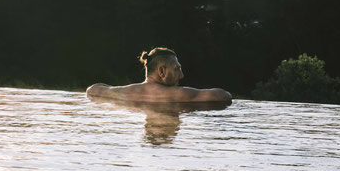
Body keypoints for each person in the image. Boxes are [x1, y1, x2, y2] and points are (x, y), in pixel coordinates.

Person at [86, 47, 232, 103]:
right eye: (177, 69)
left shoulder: (123, 92)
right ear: (161, 71)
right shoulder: (179, 95)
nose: (181, 75)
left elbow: (92, 90)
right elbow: (224, 96)